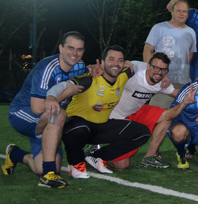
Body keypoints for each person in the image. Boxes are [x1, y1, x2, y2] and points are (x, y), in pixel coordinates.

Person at [46, 46, 151, 179]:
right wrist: (51, 97)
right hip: (74, 127)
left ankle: (96, 156)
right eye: (111, 59)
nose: (115, 64)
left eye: (120, 60)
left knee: (142, 133)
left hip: (100, 126)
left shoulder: (123, 75)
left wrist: (129, 62)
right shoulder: (90, 79)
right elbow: (61, 86)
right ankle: (76, 164)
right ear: (101, 62)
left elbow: (136, 67)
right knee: (80, 127)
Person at [4, 32, 88, 188]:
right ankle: (48, 178)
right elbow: (37, 109)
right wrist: (66, 94)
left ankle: (15, 154)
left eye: (79, 49)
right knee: (58, 113)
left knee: (41, 167)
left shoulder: (80, 67)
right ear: (61, 48)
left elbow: (90, 75)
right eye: (70, 48)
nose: (74, 53)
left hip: (49, 122)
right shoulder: (46, 68)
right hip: (22, 113)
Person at [107, 53, 185, 170]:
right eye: (156, 68)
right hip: (117, 119)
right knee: (122, 165)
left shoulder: (161, 82)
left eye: (163, 70)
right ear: (148, 66)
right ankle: (96, 155)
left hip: (136, 112)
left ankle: (150, 157)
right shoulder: (133, 75)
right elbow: (112, 70)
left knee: (167, 116)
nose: (159, 72)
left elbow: (177, 93)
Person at [144, 0, 197, 107]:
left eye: (184, 11)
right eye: (178, 11)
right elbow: (148, 50)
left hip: (183, 82)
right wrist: (151, 72)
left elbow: (190, 56)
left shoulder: (191, 32)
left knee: (177, 117)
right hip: (161, 80)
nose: (181, 14)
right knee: (156, 113)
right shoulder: (159, 28)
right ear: (172, 12)